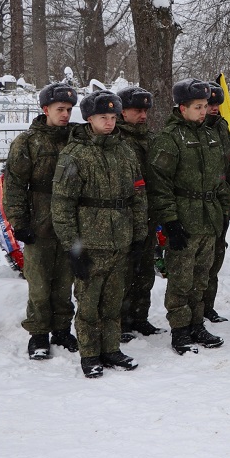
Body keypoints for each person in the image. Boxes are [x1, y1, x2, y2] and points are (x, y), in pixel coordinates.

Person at [52, 91, 147, 378]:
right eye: (102, 117)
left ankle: (111, 348)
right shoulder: (75, 154)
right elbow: (62, 204)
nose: (109, 122)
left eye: (113, 117)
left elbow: (138, 194)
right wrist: (72, 247)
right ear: (89, 119)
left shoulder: (125, 151)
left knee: (113, 301)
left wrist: (139, 235)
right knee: (89, 303)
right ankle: (90, 354)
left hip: (121, 238)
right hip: (90, 241)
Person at [148, 78, 229, 354]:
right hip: (184, 218)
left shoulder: (210, 135)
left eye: (205, 106)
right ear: (182, 108)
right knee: (181, 279)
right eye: (198, 107)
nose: (204, 111)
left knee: (201, 278)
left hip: (209, 218)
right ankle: (180, 329)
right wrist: (170, 221)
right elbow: (159, 184)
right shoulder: (170, 138)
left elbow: (220, 177)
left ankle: (196, 324)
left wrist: (223, 208)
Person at [3, 82, 79, 360]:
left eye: (69, 110)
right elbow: (14, 185)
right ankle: (38, 334)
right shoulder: (28, 142)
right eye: (60, 109)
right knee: (39, 282)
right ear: (46, 109)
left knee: (65, 280)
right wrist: (19, 222)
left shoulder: (76, 139)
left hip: (70, 220)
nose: (65, 115)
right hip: (39, 219)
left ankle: (62, 329)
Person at [115, 85, 164, 341]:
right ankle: (120, 320)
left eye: (145, 111)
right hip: (125, 215)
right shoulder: (117, 140)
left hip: (148, 213)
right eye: (137, 110)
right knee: (124, 270)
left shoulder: (151, 139)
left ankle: (139, 316)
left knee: (145, 270)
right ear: (123, 112)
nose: (143, 115)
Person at [203, 81, 230, 323]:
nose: (214, 108)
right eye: (209, 104)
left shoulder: (222, 127)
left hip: (220, 200)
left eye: (217, 104)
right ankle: (195, 309)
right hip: (199, 202)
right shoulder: (196, 129)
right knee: (200, 259)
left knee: (216, 255)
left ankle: (208, 305)